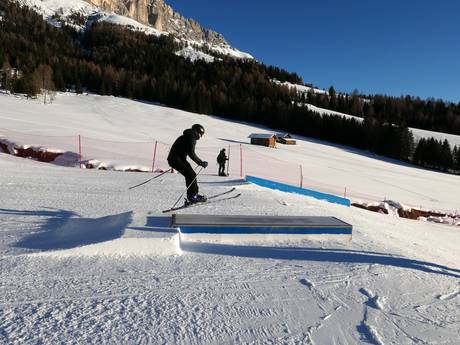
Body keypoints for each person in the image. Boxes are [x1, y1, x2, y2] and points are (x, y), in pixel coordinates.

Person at [167, 124, 208, 203]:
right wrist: (201, 162)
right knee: (191, 175)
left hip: (178, 159)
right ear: (197, 132)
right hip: (176, 160)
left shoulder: (188, 136)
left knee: (191, 174)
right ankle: (192, 196)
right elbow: (191, 154)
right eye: (200, 134)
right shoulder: (191, 138)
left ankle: (193, 194)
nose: (200, 136)